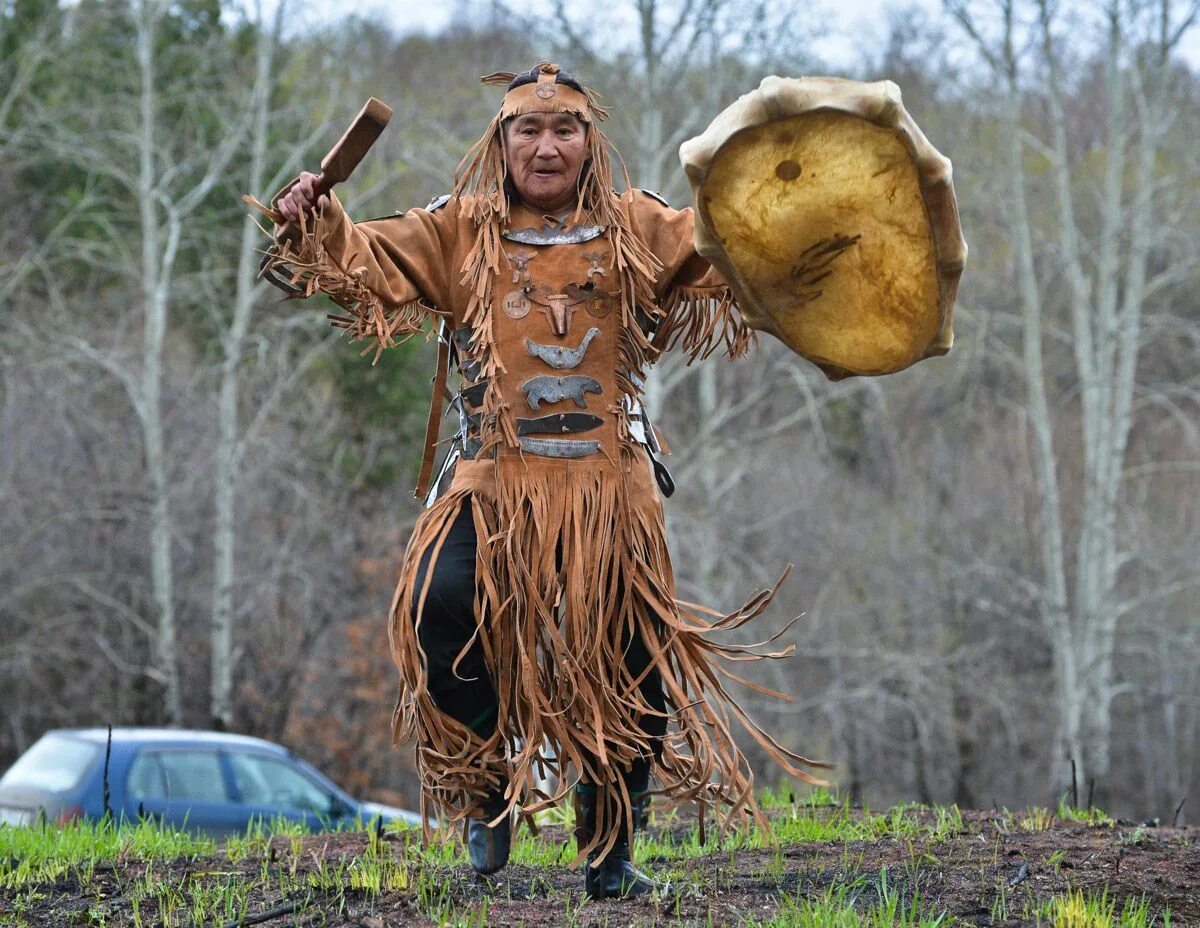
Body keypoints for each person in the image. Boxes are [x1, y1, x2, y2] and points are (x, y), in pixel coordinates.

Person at [263, 61, 824, 900]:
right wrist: (315, 214)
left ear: (590, 144)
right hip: (493, 480)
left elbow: (723, 250)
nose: (547, 145)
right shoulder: (460, 231)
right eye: (528, 130)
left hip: (608, 486)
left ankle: (610, 856)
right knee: (437, 604)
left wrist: (797, 222)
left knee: (632, 661)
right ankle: (482, 787)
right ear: (502, 143)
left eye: (565, 131)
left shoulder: (635, 225)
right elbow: (364, 258)